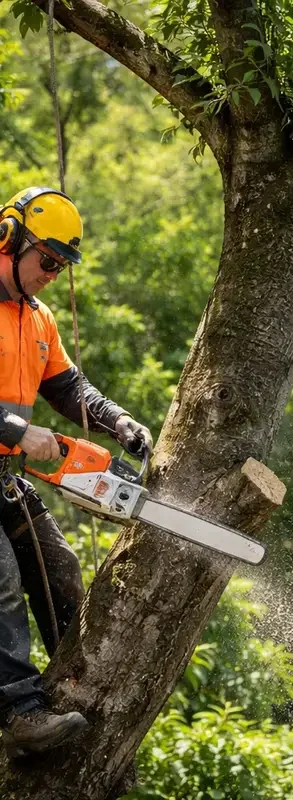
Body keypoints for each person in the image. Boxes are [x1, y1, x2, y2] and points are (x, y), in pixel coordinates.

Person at [0, 186, 152, 757]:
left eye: (61, 267)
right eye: (48, 260)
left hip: (4, 476)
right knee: (1, 581)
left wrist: (118, 421)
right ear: (10, 238)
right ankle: (19, 715)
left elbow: (68, 387)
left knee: (59, 566)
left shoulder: (39, 319)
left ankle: (72, 693)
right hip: (7, 450)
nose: (52, 275)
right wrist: (17, 431)